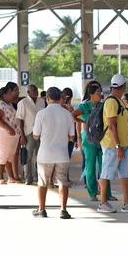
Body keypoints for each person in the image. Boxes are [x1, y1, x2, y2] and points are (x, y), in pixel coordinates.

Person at [98, 74, 128, 214]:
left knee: (125, 174)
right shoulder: (111, 102)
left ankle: (127, 203)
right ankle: (103, 203)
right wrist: (118, 146)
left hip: (123, 144)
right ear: (122, 86)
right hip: (112, 145)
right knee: (106, 173)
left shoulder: (119, 101)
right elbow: (111, 126)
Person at [32, 87, 76, 219]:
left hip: (45, 154)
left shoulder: (41, 114)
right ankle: (63, 210)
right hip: (62, 154)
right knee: (62, 182)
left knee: (42, 183)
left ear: (47, 98)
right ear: (60, 98)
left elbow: (35, 135)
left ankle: (42, 210)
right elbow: (71, 137)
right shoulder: (67, 114)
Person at [74, 82, 111, 202]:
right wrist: (84, 123)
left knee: (104, 165)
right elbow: (73, 116)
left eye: (100, 92)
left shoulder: (103, 105)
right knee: (90, 166)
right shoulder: (84, 106)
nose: (100, 94)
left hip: (101, 138)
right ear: (91, 95)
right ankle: (92, 193)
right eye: (98, 93)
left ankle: (107, 193)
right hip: (89, 138)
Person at [16, 84, 46, 185]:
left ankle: (39, 177)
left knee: (40, 155)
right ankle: (28, 177)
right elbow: (19, 119)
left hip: (41, 132)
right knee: (28, 156)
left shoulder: (41, 101)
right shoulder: (23, 103)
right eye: (34, 90)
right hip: (29, 132)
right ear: (28, 92)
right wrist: (22, 135)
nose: (36, 91)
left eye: (37, 89)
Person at [0, 83, 22, 184]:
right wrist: (8, 128)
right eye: (10, 93)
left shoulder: (9, 105)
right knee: (2, 154)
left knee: (10, 155)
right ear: (4, 95)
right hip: (4, 133)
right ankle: (0, 177)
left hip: (13, 134)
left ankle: (11, 177)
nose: (12, 95)